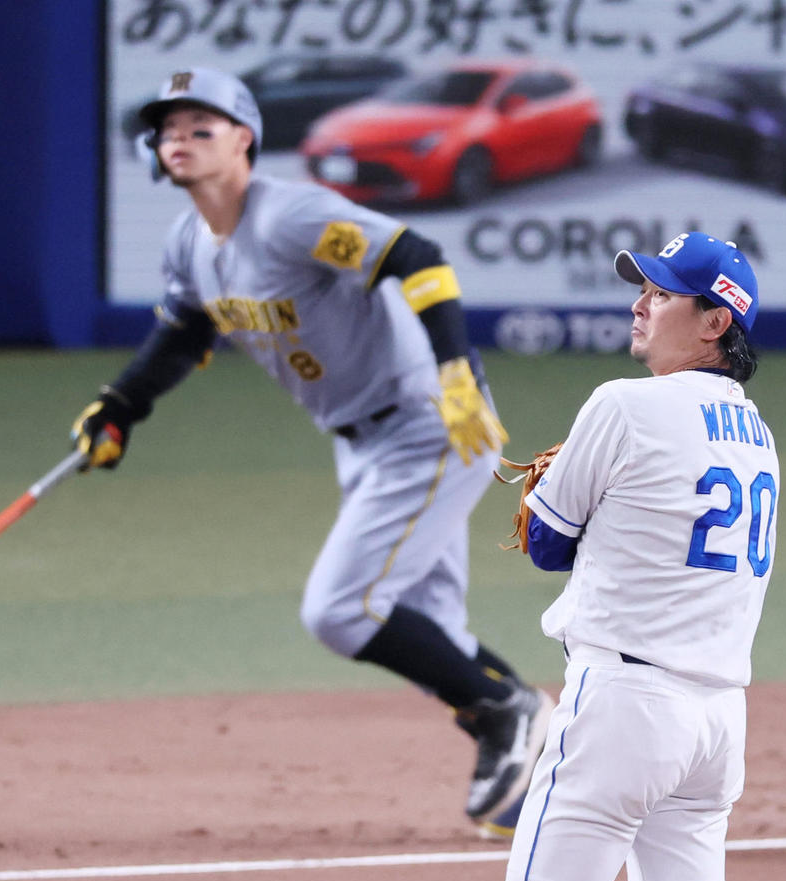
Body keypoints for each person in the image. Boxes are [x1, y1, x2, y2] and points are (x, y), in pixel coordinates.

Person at [72, 68, 552, 833]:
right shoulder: (190, 243)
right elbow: (187, 330)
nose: (180, 139)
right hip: (362, 442)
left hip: (430, 424)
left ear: (244, 139)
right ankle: (552, 768)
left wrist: (457, 371)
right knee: (429, 633)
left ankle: (508, 710)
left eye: (201, 126)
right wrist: (122, 406)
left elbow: (416, 255)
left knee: (342, 609)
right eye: (168, 130)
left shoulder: (290, 216)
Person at [496, 232, 777, 881]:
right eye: (643, 287)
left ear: (715, 322)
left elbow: (544, 543)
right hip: (716, 725)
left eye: (662, 292)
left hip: (623, 706)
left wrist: (558, 489)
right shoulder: (756, 433)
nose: (640, 303)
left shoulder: (622, 405)